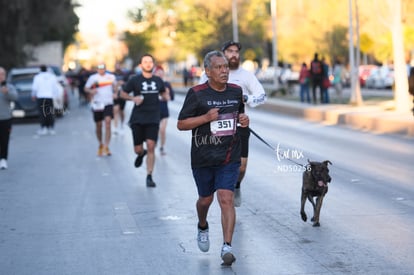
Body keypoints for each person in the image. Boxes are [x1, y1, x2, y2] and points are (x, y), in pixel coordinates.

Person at [178, 50, 249, 266]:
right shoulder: (197, 93)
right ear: (207, 71)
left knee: (226, 199)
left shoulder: (236, 91)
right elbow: (181, 124)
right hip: (203, 157)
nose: (224, 70)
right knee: (205, 200)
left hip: (229, 156)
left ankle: (227, 246)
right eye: (219, 67)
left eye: (226, 66)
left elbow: (239, 116)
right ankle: (202, 224)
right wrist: (206, 118)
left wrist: (244, 120)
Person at [199, 41, 266, 207]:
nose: (234, 54)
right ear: (222, 53)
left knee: (241, 168)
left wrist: (247, 98)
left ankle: (236, 185)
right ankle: (219, 192)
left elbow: (262, 95)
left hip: (239, 127)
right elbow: (199, 95)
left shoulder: (246, 76)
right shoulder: (206, 74)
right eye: (230, 51)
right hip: (215, 127)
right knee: (219, 166)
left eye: (236, 51)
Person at [120, 54, 168, 187]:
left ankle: (149, 176)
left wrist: (165, 96)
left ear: (153, 64)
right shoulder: (134, 80)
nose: (148, 64)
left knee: (151, 146)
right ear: (141, 65)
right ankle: (141, 154)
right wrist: (133, 99)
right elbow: (122, 93)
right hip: (138, 118)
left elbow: (164, 93)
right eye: (145, 62)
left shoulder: (158, 80)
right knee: (137, 149)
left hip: (153, 117)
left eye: (150, 62)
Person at [84, 63, 117, 156]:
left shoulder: (111, 77)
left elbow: (115, 87)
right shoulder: (93, 78)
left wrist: (115, 93)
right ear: (97, 69)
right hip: (97, 104)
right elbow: (86, 88)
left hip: (108, 103)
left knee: (108, 123)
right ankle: (100, 144)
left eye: (103, 68)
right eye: (99, 68)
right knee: (98, 125)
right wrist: (91, 91)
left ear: (105, 69)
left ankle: (107, 146)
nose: (101, 70)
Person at [31, 65, 62, 135]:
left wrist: (33, 95)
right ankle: (51, 128)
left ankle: (44, 128)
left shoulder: (37, 77)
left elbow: (34, 88)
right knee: (49, 113)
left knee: (42, 113)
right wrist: (57, 97)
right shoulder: (52, 77)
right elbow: (55, 88)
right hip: (49, 97)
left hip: (41, 97)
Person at [0, 67, 18, 170]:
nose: (1, 76)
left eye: (2, 74)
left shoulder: (9, 87)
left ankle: (3, 159)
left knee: (4, 140)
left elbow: (15, 97)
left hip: (5, 118)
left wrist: (7, 92)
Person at [153, 65, 173, 155]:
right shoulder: (153, 83)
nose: (160, 74)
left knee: (163, 130)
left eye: (161, 73)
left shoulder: (166, 84)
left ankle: (162, 147)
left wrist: (167, 94)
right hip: (155, 110)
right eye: (158, 73)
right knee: (156, 130)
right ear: (155, 73)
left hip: (164, 109)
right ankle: (155, 143)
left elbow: (171, 97)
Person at [112, 63, 127, 135]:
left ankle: (122, 123)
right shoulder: (112, 75)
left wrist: (123, 83)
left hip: (123, 95)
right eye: (116, 66)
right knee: (115, 110)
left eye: (118, 66)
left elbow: (128, 84)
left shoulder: (124, 75)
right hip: (115, 94)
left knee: (121, 111)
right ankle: (115, 127)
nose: (117, 67)